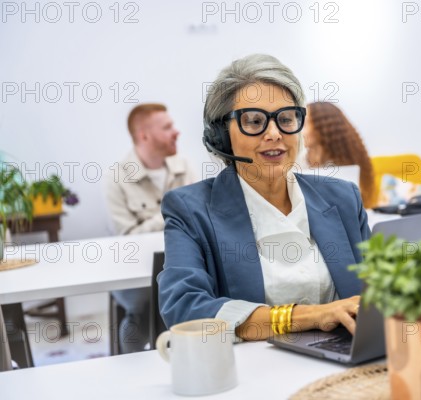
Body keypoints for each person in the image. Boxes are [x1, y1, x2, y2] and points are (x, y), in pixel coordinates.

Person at [158, 54, 370, 341]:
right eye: (255, 121)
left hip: (343, 363)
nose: (274, 134)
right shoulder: (190, 210)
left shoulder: (343, 197)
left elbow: (379, 290)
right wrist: (310, 316)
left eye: (286, 119)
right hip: (253, 372)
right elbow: (184, 308)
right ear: (221, 136)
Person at [105, 103, 197, 353]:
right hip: (133, 270)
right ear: (144, 135)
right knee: (140, 312)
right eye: (167, 127)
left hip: (181, 262)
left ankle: (192, 360)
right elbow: (127, 240)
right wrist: (173, 212)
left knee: (200, 297)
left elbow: (199, 219)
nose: (176, 132)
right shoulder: (117, 179)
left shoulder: (185, 166)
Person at [302, 102, 376, 209]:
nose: (299, 131)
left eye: (305, 124)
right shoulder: (300, 160)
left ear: (323, 128)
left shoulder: (346, 170)